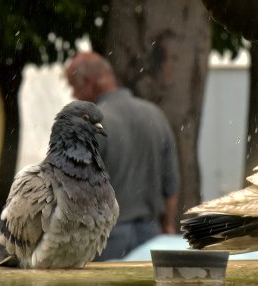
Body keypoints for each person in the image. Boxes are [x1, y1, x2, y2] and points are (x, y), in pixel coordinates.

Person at [65, 51, 180, 260]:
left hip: (105, 239)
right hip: (150, 236)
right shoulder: (155, 114)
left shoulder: (91, 125)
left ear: (90, 83)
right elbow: (170, 185)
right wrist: (168, 227)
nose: (73, 96)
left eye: (74, 86)